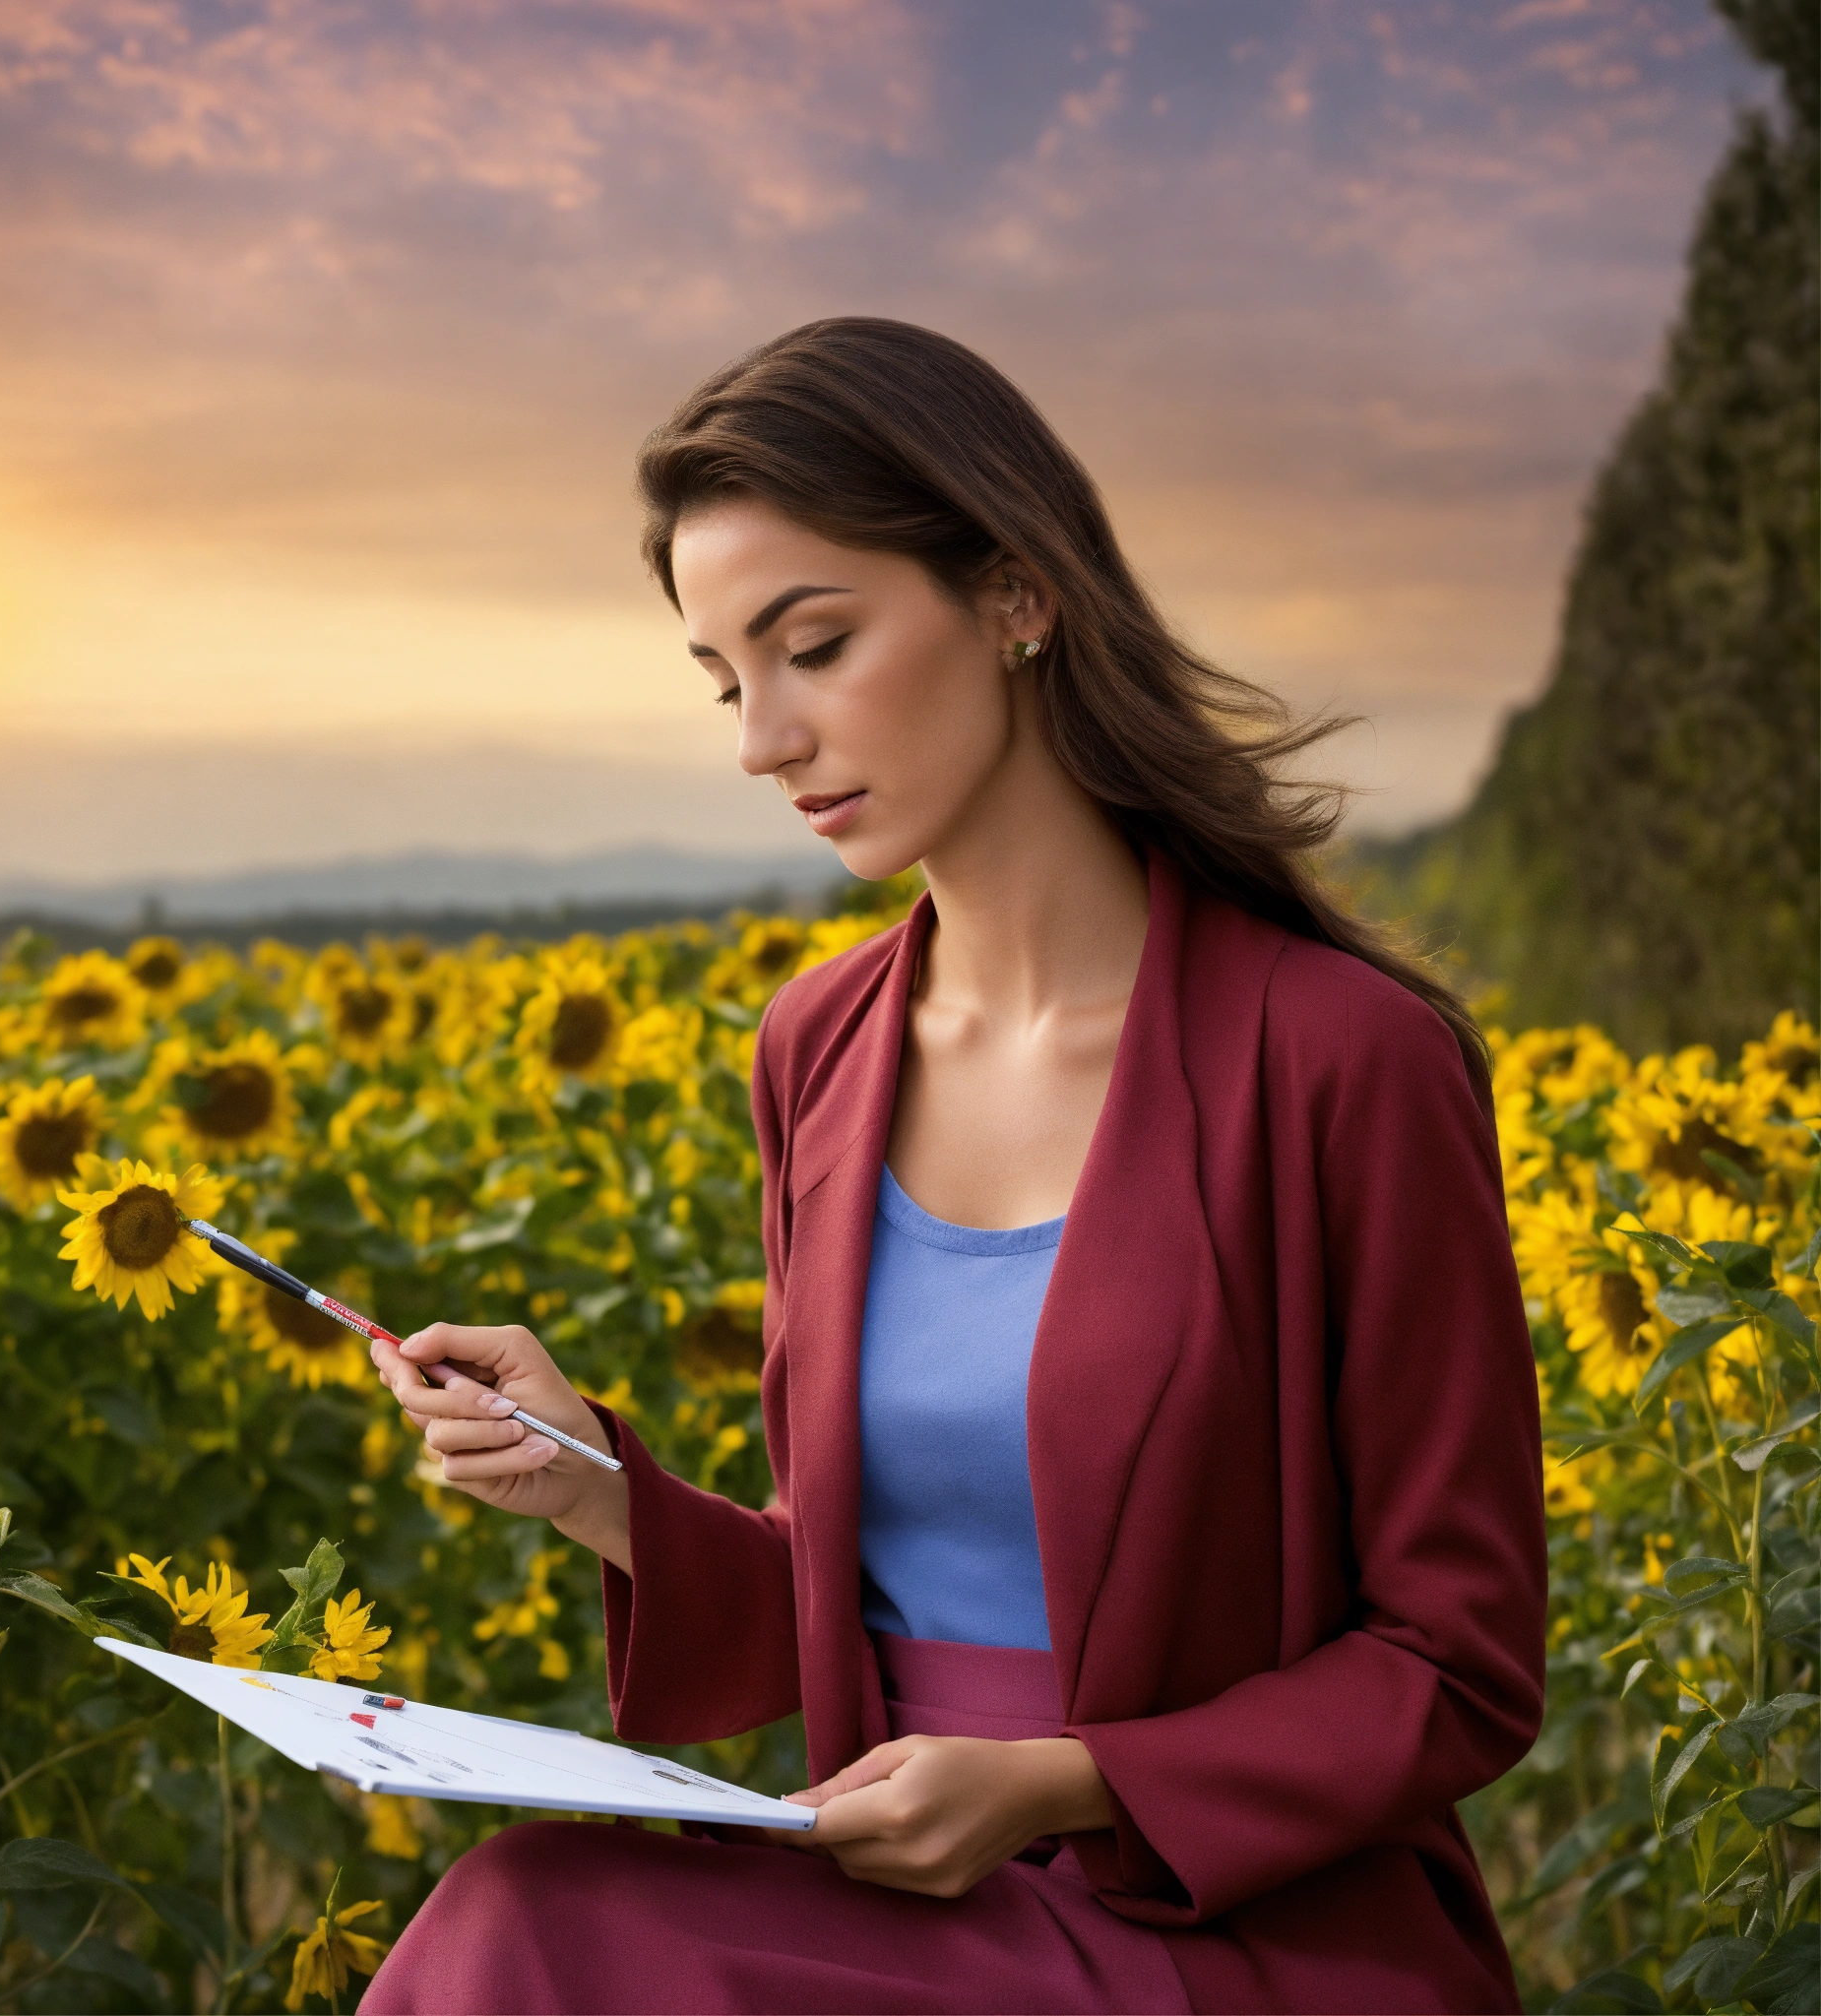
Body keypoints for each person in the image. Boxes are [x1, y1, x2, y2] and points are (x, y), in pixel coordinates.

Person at [360, 318, 1546, 2015]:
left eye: (815, 646)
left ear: (1016, 596)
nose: (763, 740)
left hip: (1237, 1931)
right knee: (527, 1905)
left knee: (527, 1938)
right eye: (723, 680)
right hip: (895, 1898)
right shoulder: (817, 1052)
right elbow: (863, 1596)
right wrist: (593, 1486)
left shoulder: (1343, 1059)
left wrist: (1066, 1781)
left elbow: (1460, 1667)